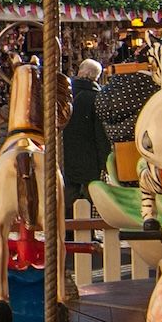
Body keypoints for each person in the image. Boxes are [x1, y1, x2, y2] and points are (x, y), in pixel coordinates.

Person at [60, 59, 112, 216]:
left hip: (64, 152)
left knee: (67, 194)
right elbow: (100, 134)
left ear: (79, 71)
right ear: (96, 77)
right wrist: (105, 161)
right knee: (92, 195)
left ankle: (67, 225)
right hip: (89, 156)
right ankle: (90, 226)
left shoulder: (64, 94)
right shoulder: (96, 98)